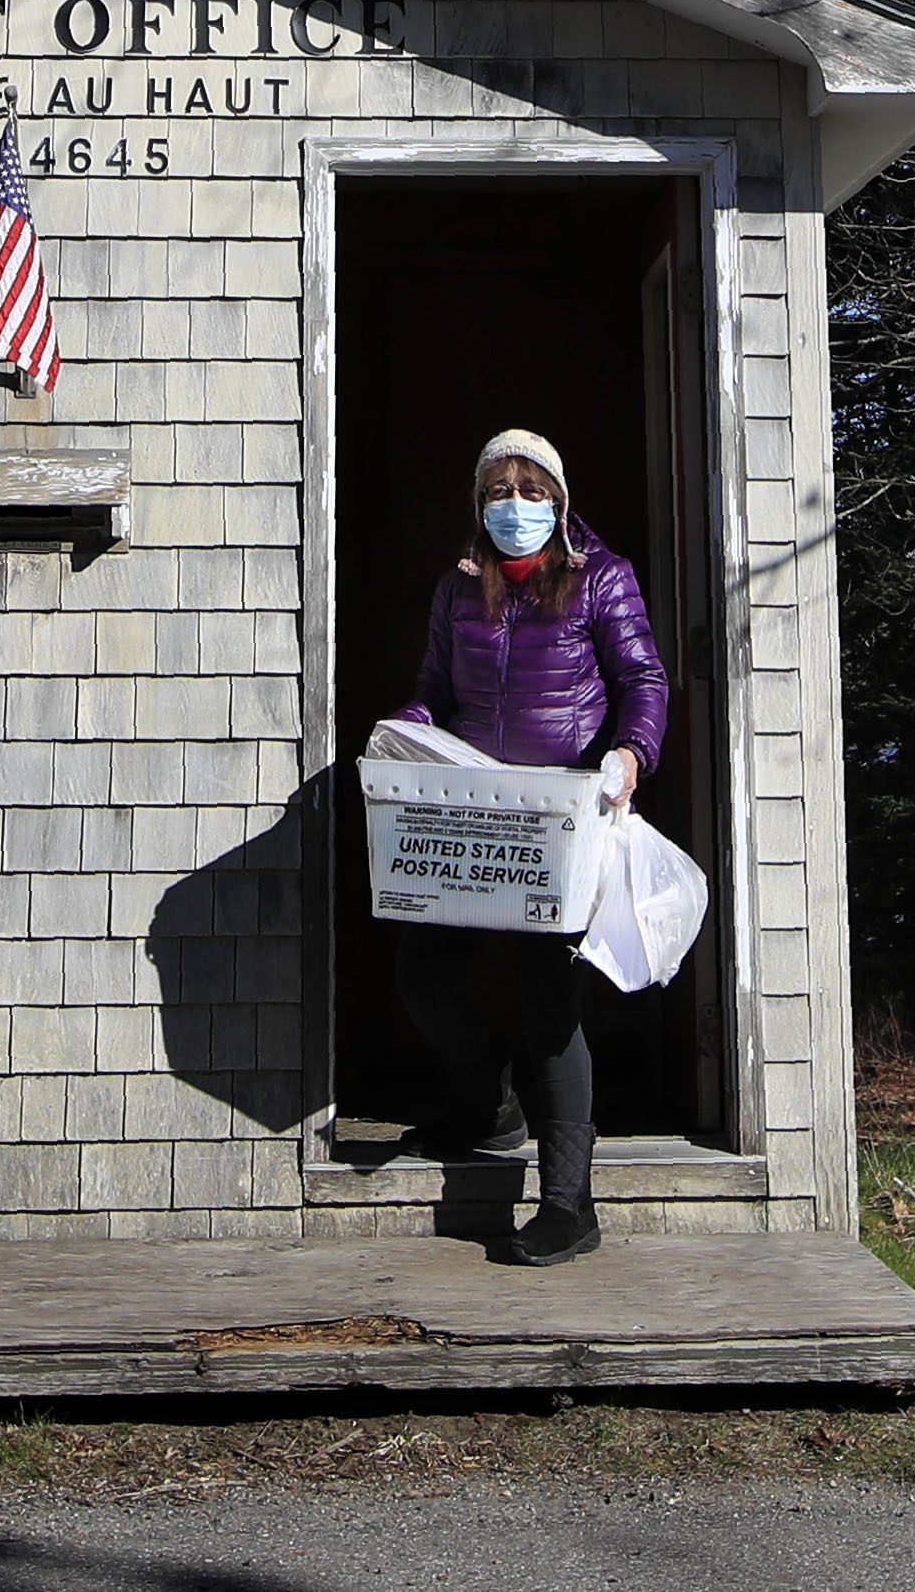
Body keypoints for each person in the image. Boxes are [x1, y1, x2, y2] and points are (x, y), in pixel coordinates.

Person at [379, 427, 670, 1264]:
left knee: (550, 1004)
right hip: (473, 813)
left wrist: (629, 753)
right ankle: (491, 1111)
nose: (516, 506)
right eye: (499, 492)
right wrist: (407, 727)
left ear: (560, 501)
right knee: (424, 976)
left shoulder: (598, 580)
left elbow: (643, 679)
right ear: (479, 505)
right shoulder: (459, 590)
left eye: (531, 491)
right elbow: (436, 690)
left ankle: (569, 1205)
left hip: (562, 819)